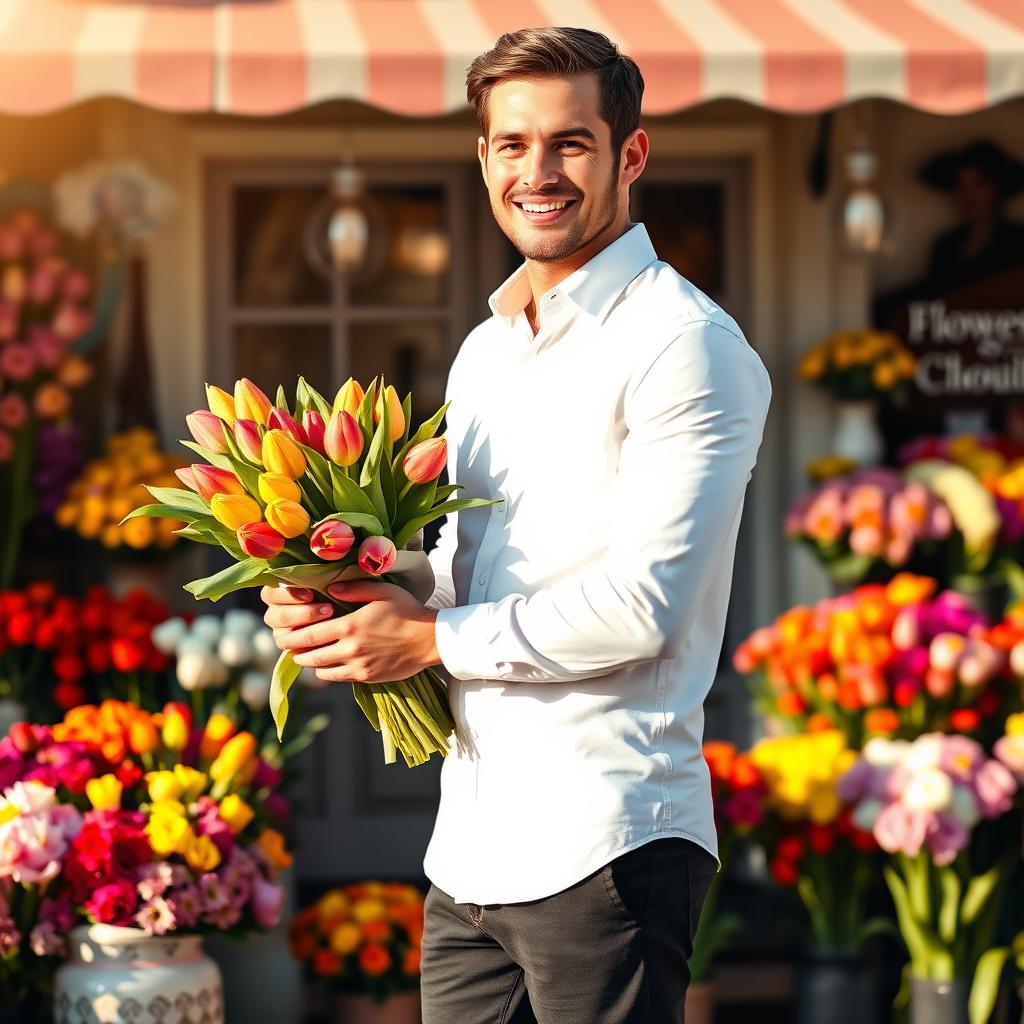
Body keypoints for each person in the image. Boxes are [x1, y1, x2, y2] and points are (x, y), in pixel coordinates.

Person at [261, 26, 772, 1024]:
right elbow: (464, 576)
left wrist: (423, 637)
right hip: (473, 842)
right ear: (483, 156)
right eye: (510, 144)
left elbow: (643, 610)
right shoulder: (485, 354)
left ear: (629, 155)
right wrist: (359, 597)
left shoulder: (682, 346)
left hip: (605, 838)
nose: (536, 172)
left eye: (569, 144)